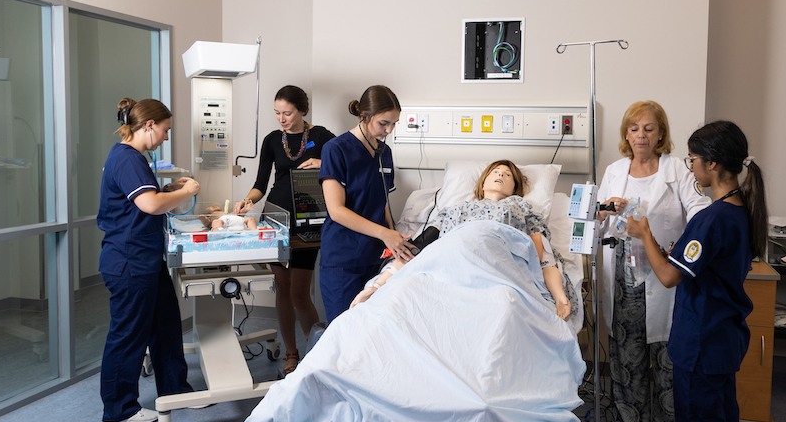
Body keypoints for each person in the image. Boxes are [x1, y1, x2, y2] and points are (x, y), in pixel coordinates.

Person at [626, 120, 768, 422]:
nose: (690, 169)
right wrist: (667, 243)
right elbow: (702, 262)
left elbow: (670, 275)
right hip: (723, 342)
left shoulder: (709, 218)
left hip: (700, 347)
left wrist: (643, 235)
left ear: (713, 164)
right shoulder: (738, 209)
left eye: (692, 161)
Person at [597, 101, 711, 422]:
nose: (641, 135)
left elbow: (699, 210)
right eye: (634, 128)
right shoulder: (615, 171)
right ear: (625, 134)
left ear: (661, 132)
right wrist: (603, 211)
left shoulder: (677, 169)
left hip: (665, 274)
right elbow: (598, 224)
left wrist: (687, 243)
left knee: (667, 358)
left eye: (649, 128)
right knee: (625, 354)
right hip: (623, 275)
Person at [351, 160, 573, 322]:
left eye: (508, 175)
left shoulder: (521, 208)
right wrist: (376, 286)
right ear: (483, 182)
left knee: (505, 305)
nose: (501, 175)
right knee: (405, 296)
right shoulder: (454, 210)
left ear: (514, 187)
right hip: (453, 262)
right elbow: (417, 249)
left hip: (499, 266)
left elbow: (544, 258)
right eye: (495, 172)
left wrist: (560, 297)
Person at [97, 97, 201, 422]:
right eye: (166, 130)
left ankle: (175, 390)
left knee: (166, 326)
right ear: (150, 125)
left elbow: (145, 197)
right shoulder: (127, 158)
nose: (167, 137)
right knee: (128, 334)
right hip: (129, 262)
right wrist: (185, 192)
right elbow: (151, 205)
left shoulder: (134, 158)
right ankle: (119, 409)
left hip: (146, 261)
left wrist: (168, 187)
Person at [235, 85, 335, 375]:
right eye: (277, 113)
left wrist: (322, 161)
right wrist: (247, 202)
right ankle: (290, 354)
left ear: (302, 110)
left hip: (308, 220)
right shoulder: (271, 140)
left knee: (301, 292)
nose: (282, 118)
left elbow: (345, 167)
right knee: (283, 288)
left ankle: (316, 355)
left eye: (287, 113)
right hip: (275, 217)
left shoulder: (322, 136)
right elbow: (260, 184)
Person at [319, 85, 412, 323]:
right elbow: (336, 211)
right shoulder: (336, 150)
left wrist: (394, 238)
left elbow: (381, 203)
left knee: (371, 332)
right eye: (384, 123)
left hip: (376, 257)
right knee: (344, 330)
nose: (389, 130)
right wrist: (385, 234)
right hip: (344, 259)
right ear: (364, 116)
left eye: (394, 123)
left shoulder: (385, 152)